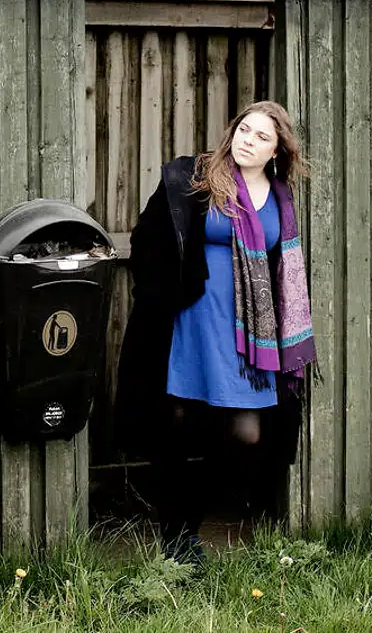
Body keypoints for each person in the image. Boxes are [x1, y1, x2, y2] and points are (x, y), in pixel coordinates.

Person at [114, 100, 317, 562]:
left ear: (276, 151)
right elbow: (146, 238)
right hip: (191, 320)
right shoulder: (196, 178)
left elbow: (282, 266)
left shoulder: (280, 198)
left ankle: (189, 519)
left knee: (246, 435)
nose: (248, 140)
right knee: (178, 425)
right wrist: (167, 290)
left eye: (261, 136)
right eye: (244, 129)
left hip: (250, 334)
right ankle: (178, 536)